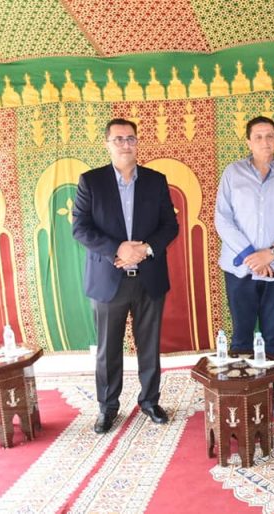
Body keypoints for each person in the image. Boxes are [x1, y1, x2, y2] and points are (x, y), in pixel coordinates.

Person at [73, 118, 179, 434]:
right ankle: (108, 407)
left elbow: (169, 226)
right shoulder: (91, 182)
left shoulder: (155, 181)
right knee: (108, 350)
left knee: (149, 346)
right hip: (108, 280)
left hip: (149, 277)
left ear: (137, 142)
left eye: (130, 138)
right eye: (118, 139)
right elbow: (80, 228)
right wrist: (117, 249)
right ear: (107, 144)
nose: (125, 144)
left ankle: (150, 401)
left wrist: (145, 249)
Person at [215, 116, 274, 418]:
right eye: (258, 136)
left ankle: (269, 392)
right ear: (248, 141)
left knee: (271, 335)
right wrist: (251, 256)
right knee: (242, 334)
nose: (265, 142)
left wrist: (270, 254)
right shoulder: (232, 173)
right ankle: (241, 394)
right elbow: (222, 219)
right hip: (240, 269)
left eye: (270, 136)